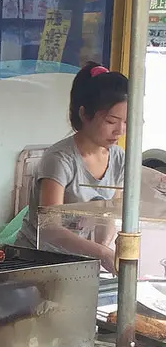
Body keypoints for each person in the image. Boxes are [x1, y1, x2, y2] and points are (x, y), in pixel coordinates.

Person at [16, 62, 128, 274]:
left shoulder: (119, 159)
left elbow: (109, 213)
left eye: (126, 121)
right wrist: (102, 253)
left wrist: (103, 249)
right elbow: (49, 228)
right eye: (112, 121)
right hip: (37, 261)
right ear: (84, 114)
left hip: (76, 262)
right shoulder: (59, 159)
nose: (120, 130)